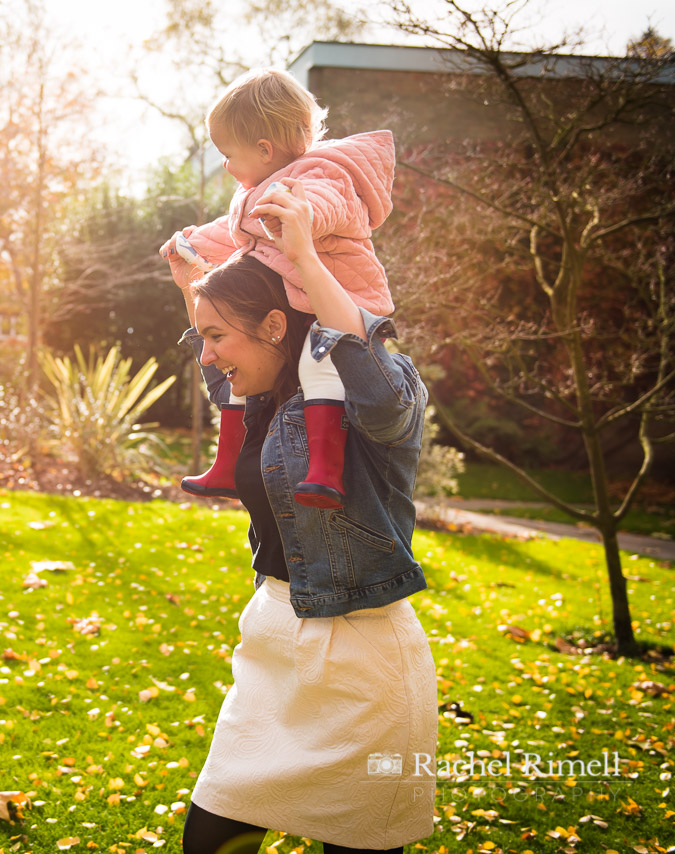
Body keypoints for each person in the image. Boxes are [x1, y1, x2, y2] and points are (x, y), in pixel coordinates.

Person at [168, 179, 436, 854]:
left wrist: (308, 262)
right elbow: (222, 370)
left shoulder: (370, 405)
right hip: (272, 649)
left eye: (217, 337)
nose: (207, 355)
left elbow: (378, 381)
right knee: (209, 841)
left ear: (277, 327)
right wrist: (196, 288)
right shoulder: (266, 400)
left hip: (361, 665)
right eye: (203, 338)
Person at [161, 68, 394, 509]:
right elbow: (235, 234)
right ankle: (227, 463)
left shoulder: (321, 175)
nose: (225, 165)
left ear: (263, 150)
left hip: (338, 302)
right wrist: (192, 247)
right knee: (232, 369)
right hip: (293, 301)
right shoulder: (255, 196)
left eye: (227, 154)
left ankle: (326, 470)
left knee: (321, 362)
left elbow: (327, 205)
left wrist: (300, 218)